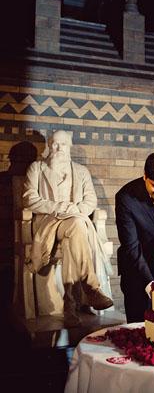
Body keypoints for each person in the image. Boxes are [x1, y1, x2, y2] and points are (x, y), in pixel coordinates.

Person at [23, 130, 113, 327]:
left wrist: (76, 209)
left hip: (74, 221)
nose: (58, 148)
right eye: (54, 144)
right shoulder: (37, 168)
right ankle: (91, 288)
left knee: (77, 229)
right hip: (49, 222)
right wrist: (58, 207)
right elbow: (29, 198)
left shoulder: (81, 171)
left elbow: (90, 200)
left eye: (63, 144)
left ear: (69, 147)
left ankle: (70, 306)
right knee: (78, 228)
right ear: (49, 145)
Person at [116, 151, 154, 323]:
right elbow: (131, 246)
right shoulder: (126, 197)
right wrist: (150, 283)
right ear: (145, 177)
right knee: (140, 332)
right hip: (138, 274)